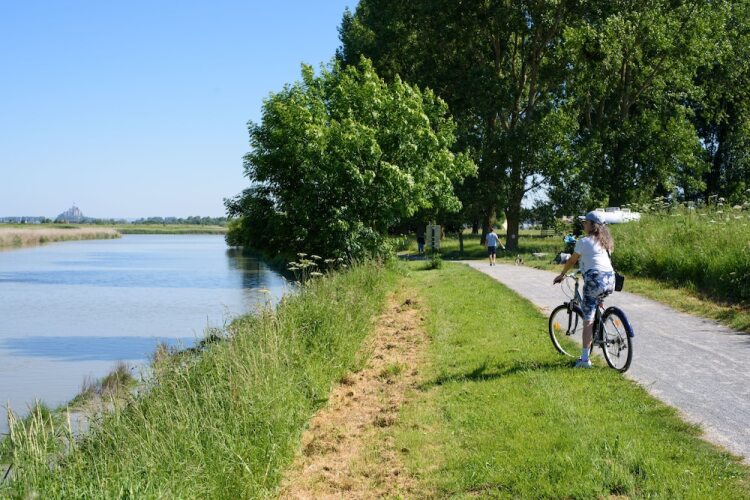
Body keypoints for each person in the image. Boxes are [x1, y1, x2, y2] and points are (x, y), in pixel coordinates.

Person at [553, 211, 615, 368]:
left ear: (591, 225)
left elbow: (572, 260)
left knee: (588, 319)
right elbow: (597, 260)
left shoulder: (583, 241)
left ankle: (585, 360)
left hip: (595, 280)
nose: (583, 225)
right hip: (610, 280)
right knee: (596, 302)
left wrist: (562, 274)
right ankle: (601, 327)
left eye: (585, 222)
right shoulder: (605, 242)